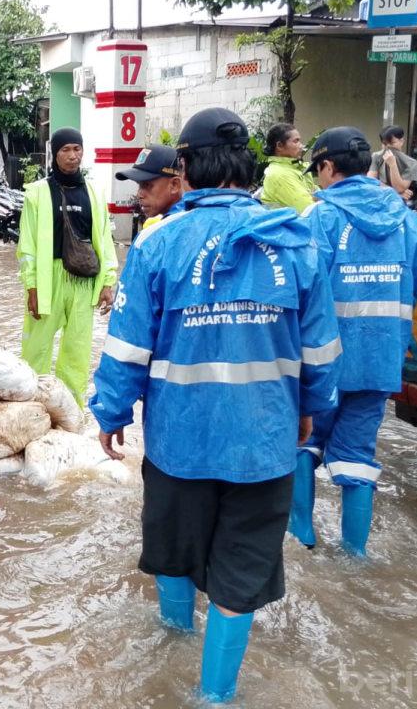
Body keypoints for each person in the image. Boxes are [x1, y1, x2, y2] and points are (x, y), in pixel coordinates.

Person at [89, 108, 341, 703]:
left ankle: (171, 647)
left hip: (180, 442)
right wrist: (310, 411)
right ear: (248, 164)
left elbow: (126, 347)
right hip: (265, 445)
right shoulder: (296, 242)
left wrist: (111, 413)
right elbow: (323, 354)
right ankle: (214, 695)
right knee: (241, 573)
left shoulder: (158, 244)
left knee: (174, 549)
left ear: (185, 169)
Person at [289, 127, 417, 557]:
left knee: (303, 442)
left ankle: (300, 536)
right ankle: (354, 556)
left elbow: (297, 288)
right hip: (379, 363)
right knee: (357, 456)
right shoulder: (406, 219)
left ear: (327, 166)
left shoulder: (318, 218)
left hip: (323, 363)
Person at [17, 127, 117, 405]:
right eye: (65, 150)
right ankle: (31, 403)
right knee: (36, 348)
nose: (73, 156)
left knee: (78, 350)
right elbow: (27, 246)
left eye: (77, 148)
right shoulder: (36, 193)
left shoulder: (95, 193)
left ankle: (71, 408)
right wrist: (32, 287)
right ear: (54, 153)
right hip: (48, 280)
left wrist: (108, 282)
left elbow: (105, 241)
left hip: (83, 282)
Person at [117, 143, 187, 233]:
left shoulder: (166, 233)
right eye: (139, 185)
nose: (139, 195)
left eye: (147, 185)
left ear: (174, 185)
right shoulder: (195, 220)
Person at [260, 122, 317, 212]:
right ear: (279, 146)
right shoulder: (279, 175)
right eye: (296, 141)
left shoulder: (298, 168)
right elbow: (309, 210)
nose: (302, 146)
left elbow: (319, 195)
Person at [367, 125, 417, 198]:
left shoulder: (412, 163)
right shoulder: (376, 156)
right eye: (385, 144)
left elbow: (399, 188)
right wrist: (396, 193)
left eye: (392, 143)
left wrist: (393, 165)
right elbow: (371, 182)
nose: (388, 147)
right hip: (379, 199)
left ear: (401, 141)